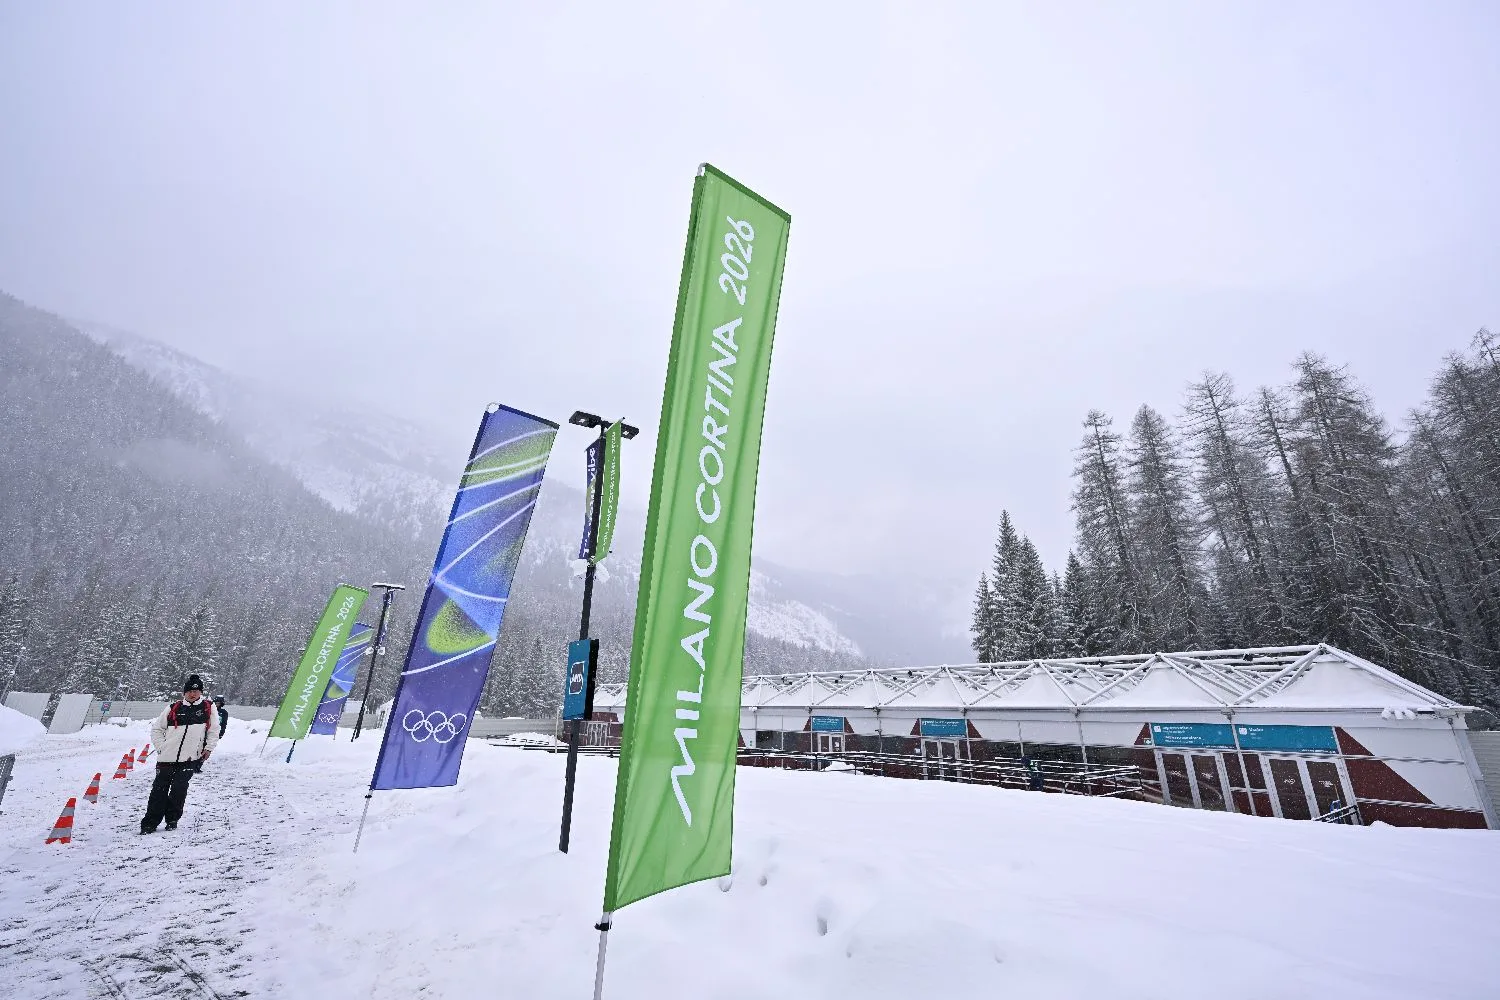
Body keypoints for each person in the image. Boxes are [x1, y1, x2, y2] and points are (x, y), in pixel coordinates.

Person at [140, 674, 220, 834]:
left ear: (201, 692)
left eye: (196, 691)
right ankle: (150, 824)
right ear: (184, 692)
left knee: (179, 790)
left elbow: (213, 730)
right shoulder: (173, 707)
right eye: (189, 691)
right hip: (166, 759)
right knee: (158, 791)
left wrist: (209, 748)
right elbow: (157, 729)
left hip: (189, 759)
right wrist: (162, 747)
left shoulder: (208, 708)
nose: (193, 694)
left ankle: (172, 820)